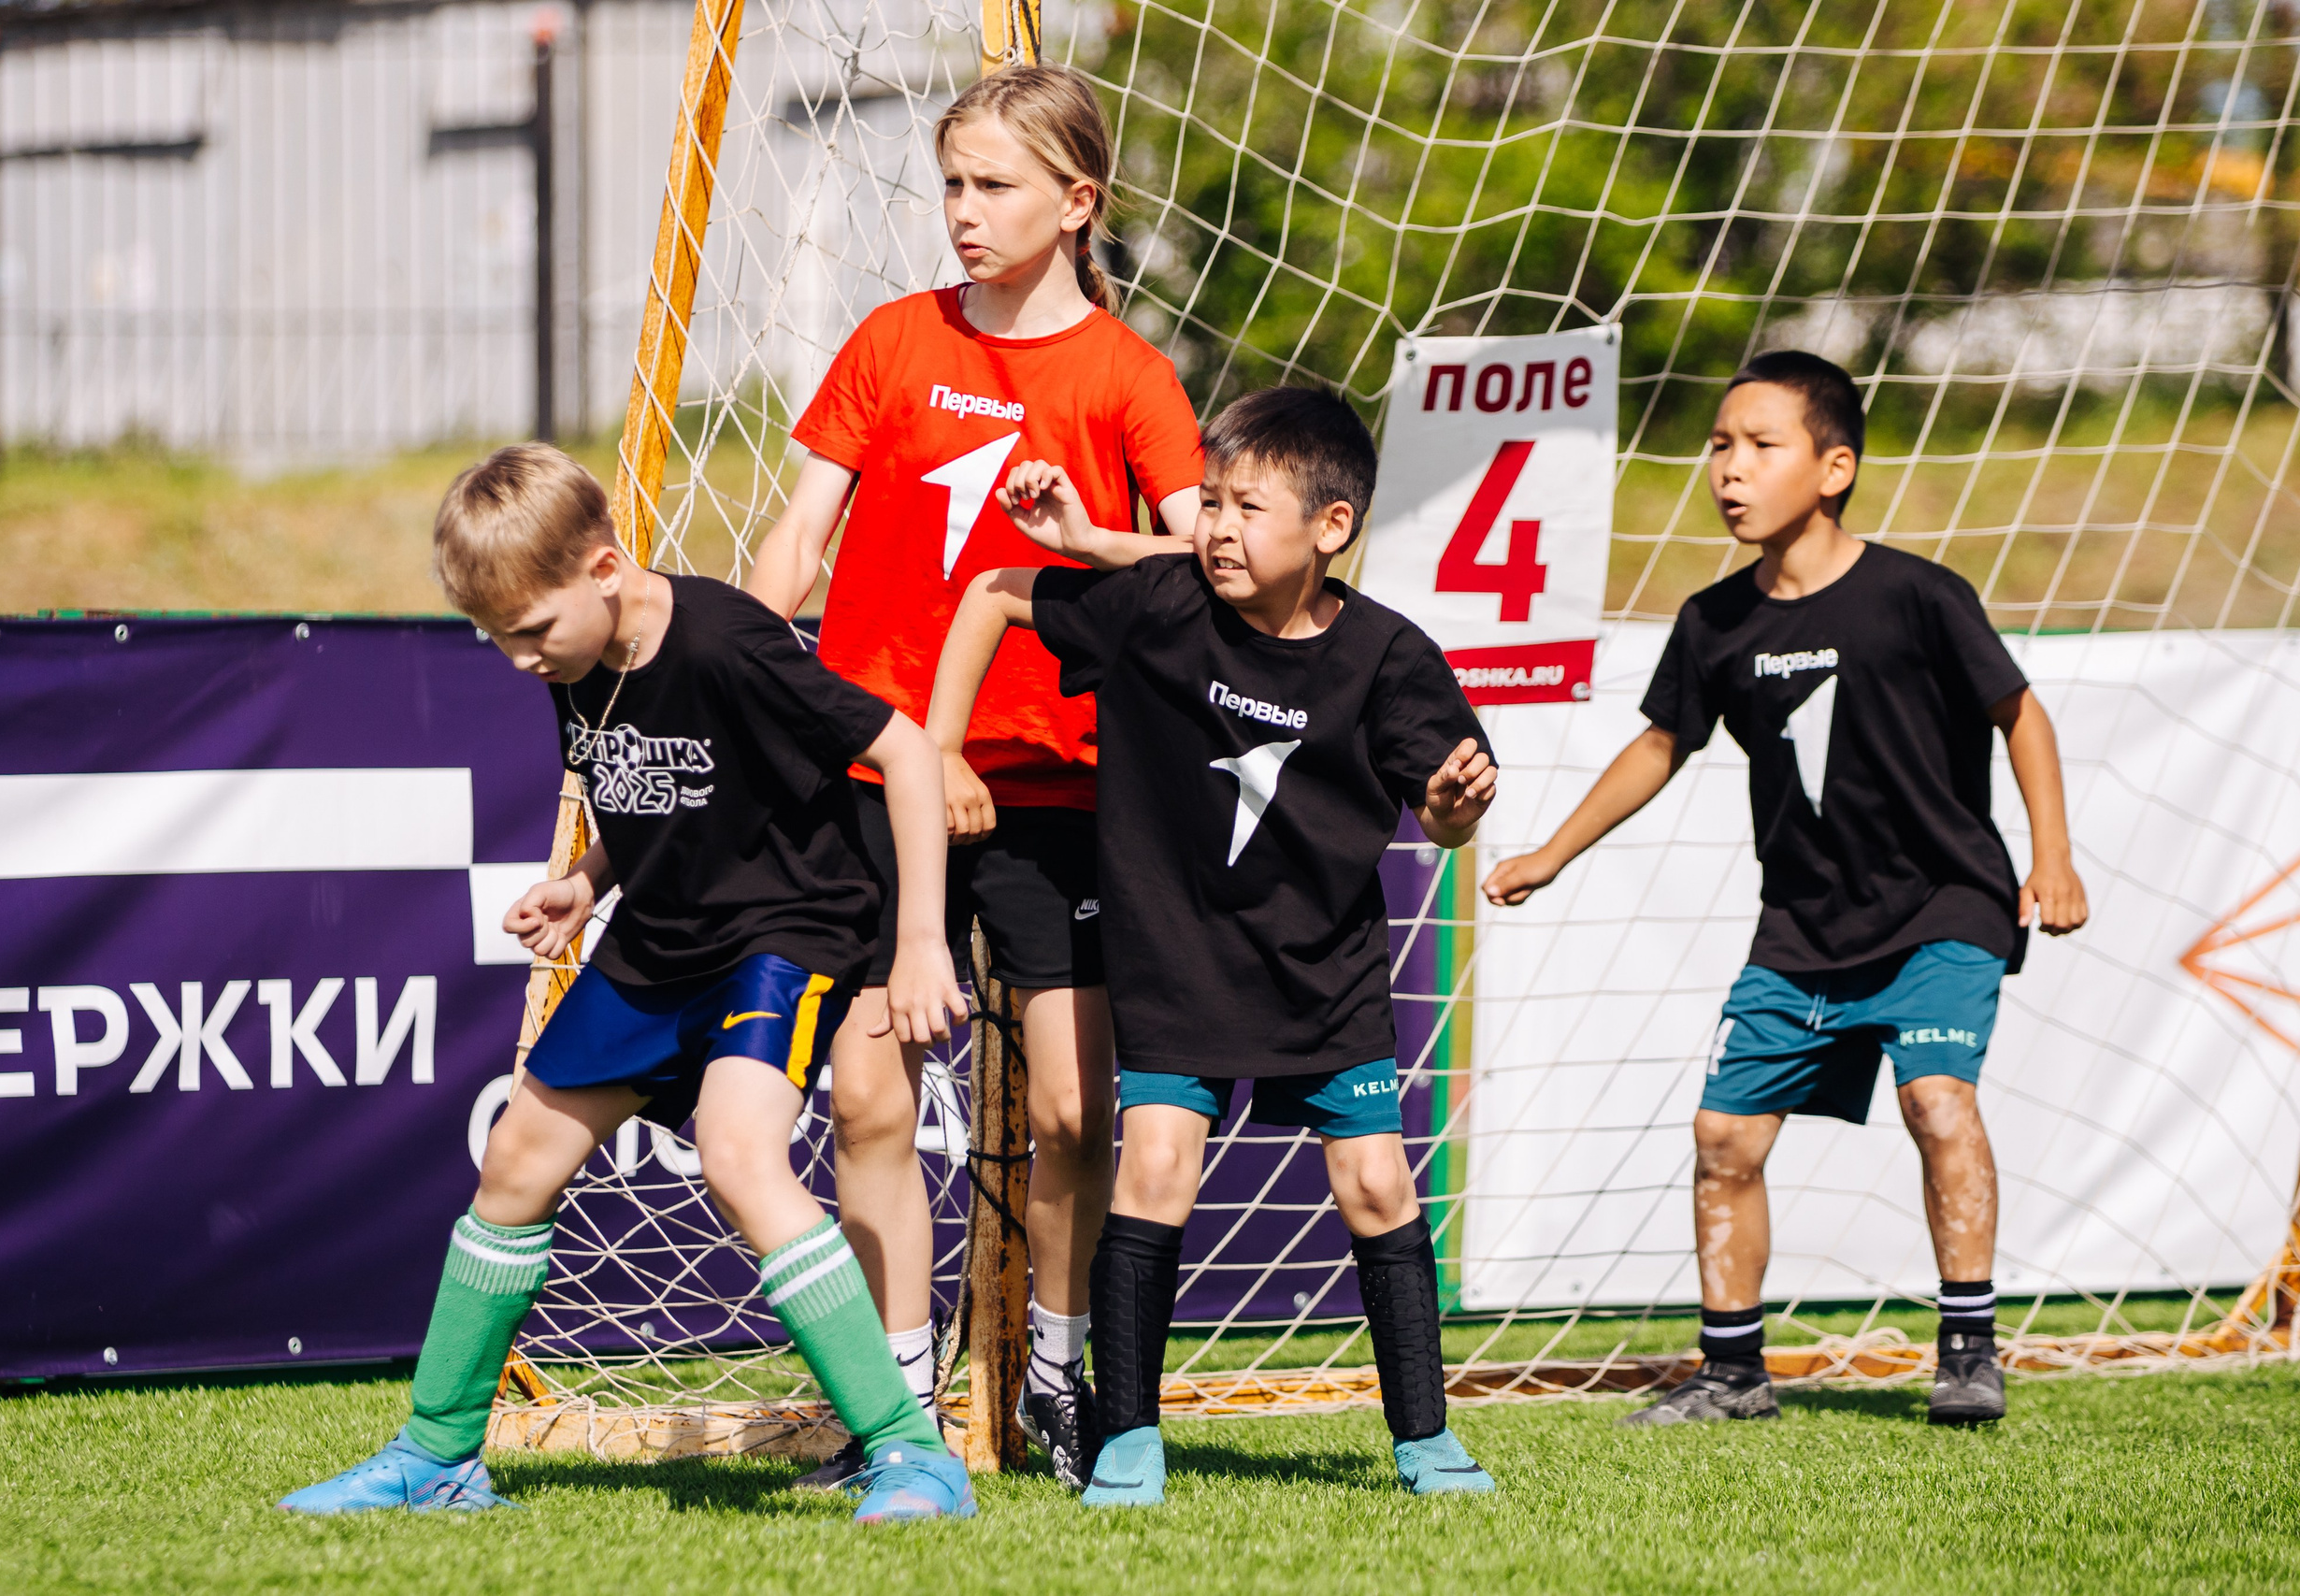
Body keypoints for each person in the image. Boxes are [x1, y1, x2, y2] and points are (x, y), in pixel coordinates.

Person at [277, 443, 975, 1521]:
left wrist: (922, 939)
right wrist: (584, 881)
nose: (516, 660)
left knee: (740, 1152)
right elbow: (658, 792)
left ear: (604, 569)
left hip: (780, 936)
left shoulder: (728, 640)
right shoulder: (577, 659)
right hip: (656, 940)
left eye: (529, 632)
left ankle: (906, 1450)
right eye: (495, 638)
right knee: (515, 1157)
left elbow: (910, 752)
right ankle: (438, 1456)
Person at [745, 62, 1204, 1488]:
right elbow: (793, 545)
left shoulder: (1129, 377)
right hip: (880, 784)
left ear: (1079, 203)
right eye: (951, 182)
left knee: (1074, 1109)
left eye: (994, 184)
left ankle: (1062, 1375)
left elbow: (1211, 565)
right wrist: (749, 701)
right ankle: (898, 1412)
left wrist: (1080, 538)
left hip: (1059, 793)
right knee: (873, 1099)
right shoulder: (889, 343)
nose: (962, 210)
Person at [1484, 352, 2089, 1428]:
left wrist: (2052, 857)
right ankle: (1731, 1374)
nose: (1728, 468)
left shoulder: (1919, 596)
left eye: (1760, 446)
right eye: (1718, 445)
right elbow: (1659, 745)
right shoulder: (1713, 622)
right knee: (1724, 1140)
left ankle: (1966, 1352)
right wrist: (1548, 853)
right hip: (1802, 928)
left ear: (1833, 467)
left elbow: (2022, 716)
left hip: (1944, 907)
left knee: (1936, 1101)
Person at [927, 386, 1501, 1506]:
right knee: (1152, 1171)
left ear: (1330, 529)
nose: (1218, 527)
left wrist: (1453, 804)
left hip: (1321, 975)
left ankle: (1426, 1440)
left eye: (1249, 507)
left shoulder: (1390, 657)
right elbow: (994, 592)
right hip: (1175, 962)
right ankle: (1130, 1439)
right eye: (1211, 502)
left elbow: (1443, 812)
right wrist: (943, 750)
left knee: (1379, 1185)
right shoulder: (1160, 606)